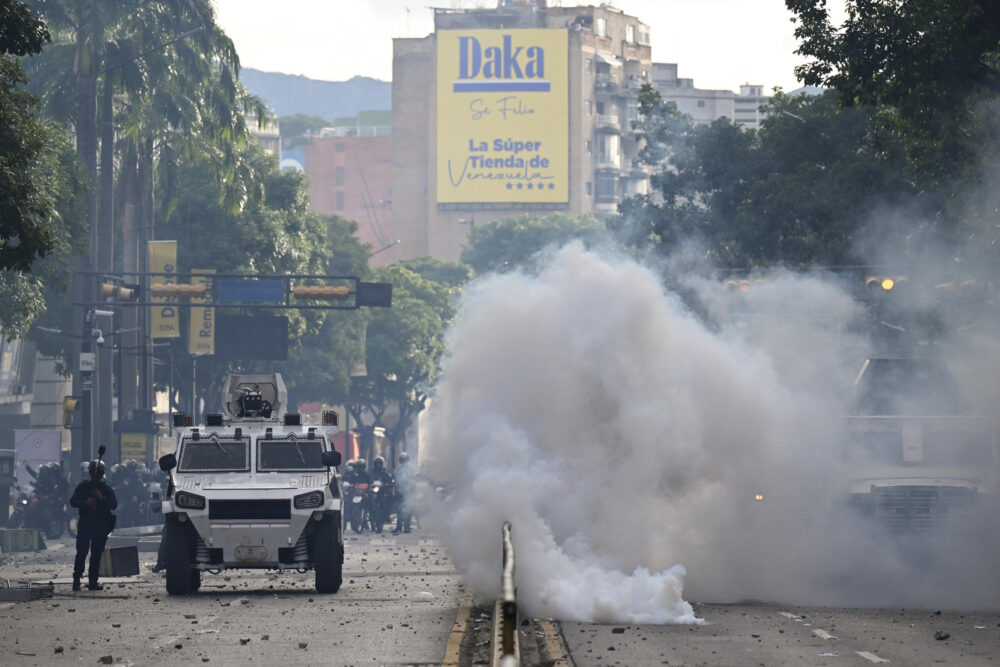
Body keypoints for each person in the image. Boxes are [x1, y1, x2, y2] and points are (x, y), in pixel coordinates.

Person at [69, 459, 118, 591]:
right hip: (86, 523)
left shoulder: (106, 489)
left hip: (101, 525)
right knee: (82, 552)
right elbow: (73, 501)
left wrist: (102, 498)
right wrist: (86, 502)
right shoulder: (83, 487)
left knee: (96, 554)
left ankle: (93, 582)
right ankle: (76, 580)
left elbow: (113, 504)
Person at [392, 452, 413, 534]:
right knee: (404, 509)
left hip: (403, 492)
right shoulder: (410, 470)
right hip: (405, 492)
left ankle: (401, 527)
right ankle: (405, 527)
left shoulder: (397, 470)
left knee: (401, 509)